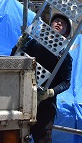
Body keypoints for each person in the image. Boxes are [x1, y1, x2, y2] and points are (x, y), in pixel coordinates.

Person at [13, 13, 73, 143]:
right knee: (17, 136)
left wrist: (51, 92)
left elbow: (66, 82)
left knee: (43, 139)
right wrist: (18, 46)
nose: (58, 23)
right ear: (49, 25)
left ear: (66, 34)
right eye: (56, 21)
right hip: (23, 98)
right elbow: (15, 59)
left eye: (63, 24)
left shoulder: (65, 57)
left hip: (45, 106)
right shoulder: (33, 44)